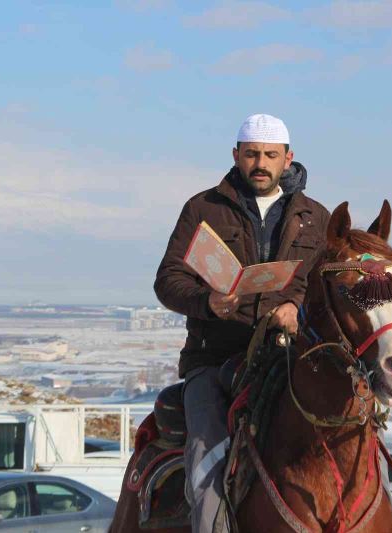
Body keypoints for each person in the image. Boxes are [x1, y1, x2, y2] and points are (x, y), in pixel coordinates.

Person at [154, 114, 329, 532]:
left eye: (270, 155)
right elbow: (167, 281)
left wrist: (297, 308)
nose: (260, 164)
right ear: (236, 155)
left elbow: (325, 287)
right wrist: (208, 301)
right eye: (252, 154)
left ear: (288, 159)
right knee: (207, 457)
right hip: (213, 359)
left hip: (287, 357)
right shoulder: (203, 208)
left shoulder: (316, 217)